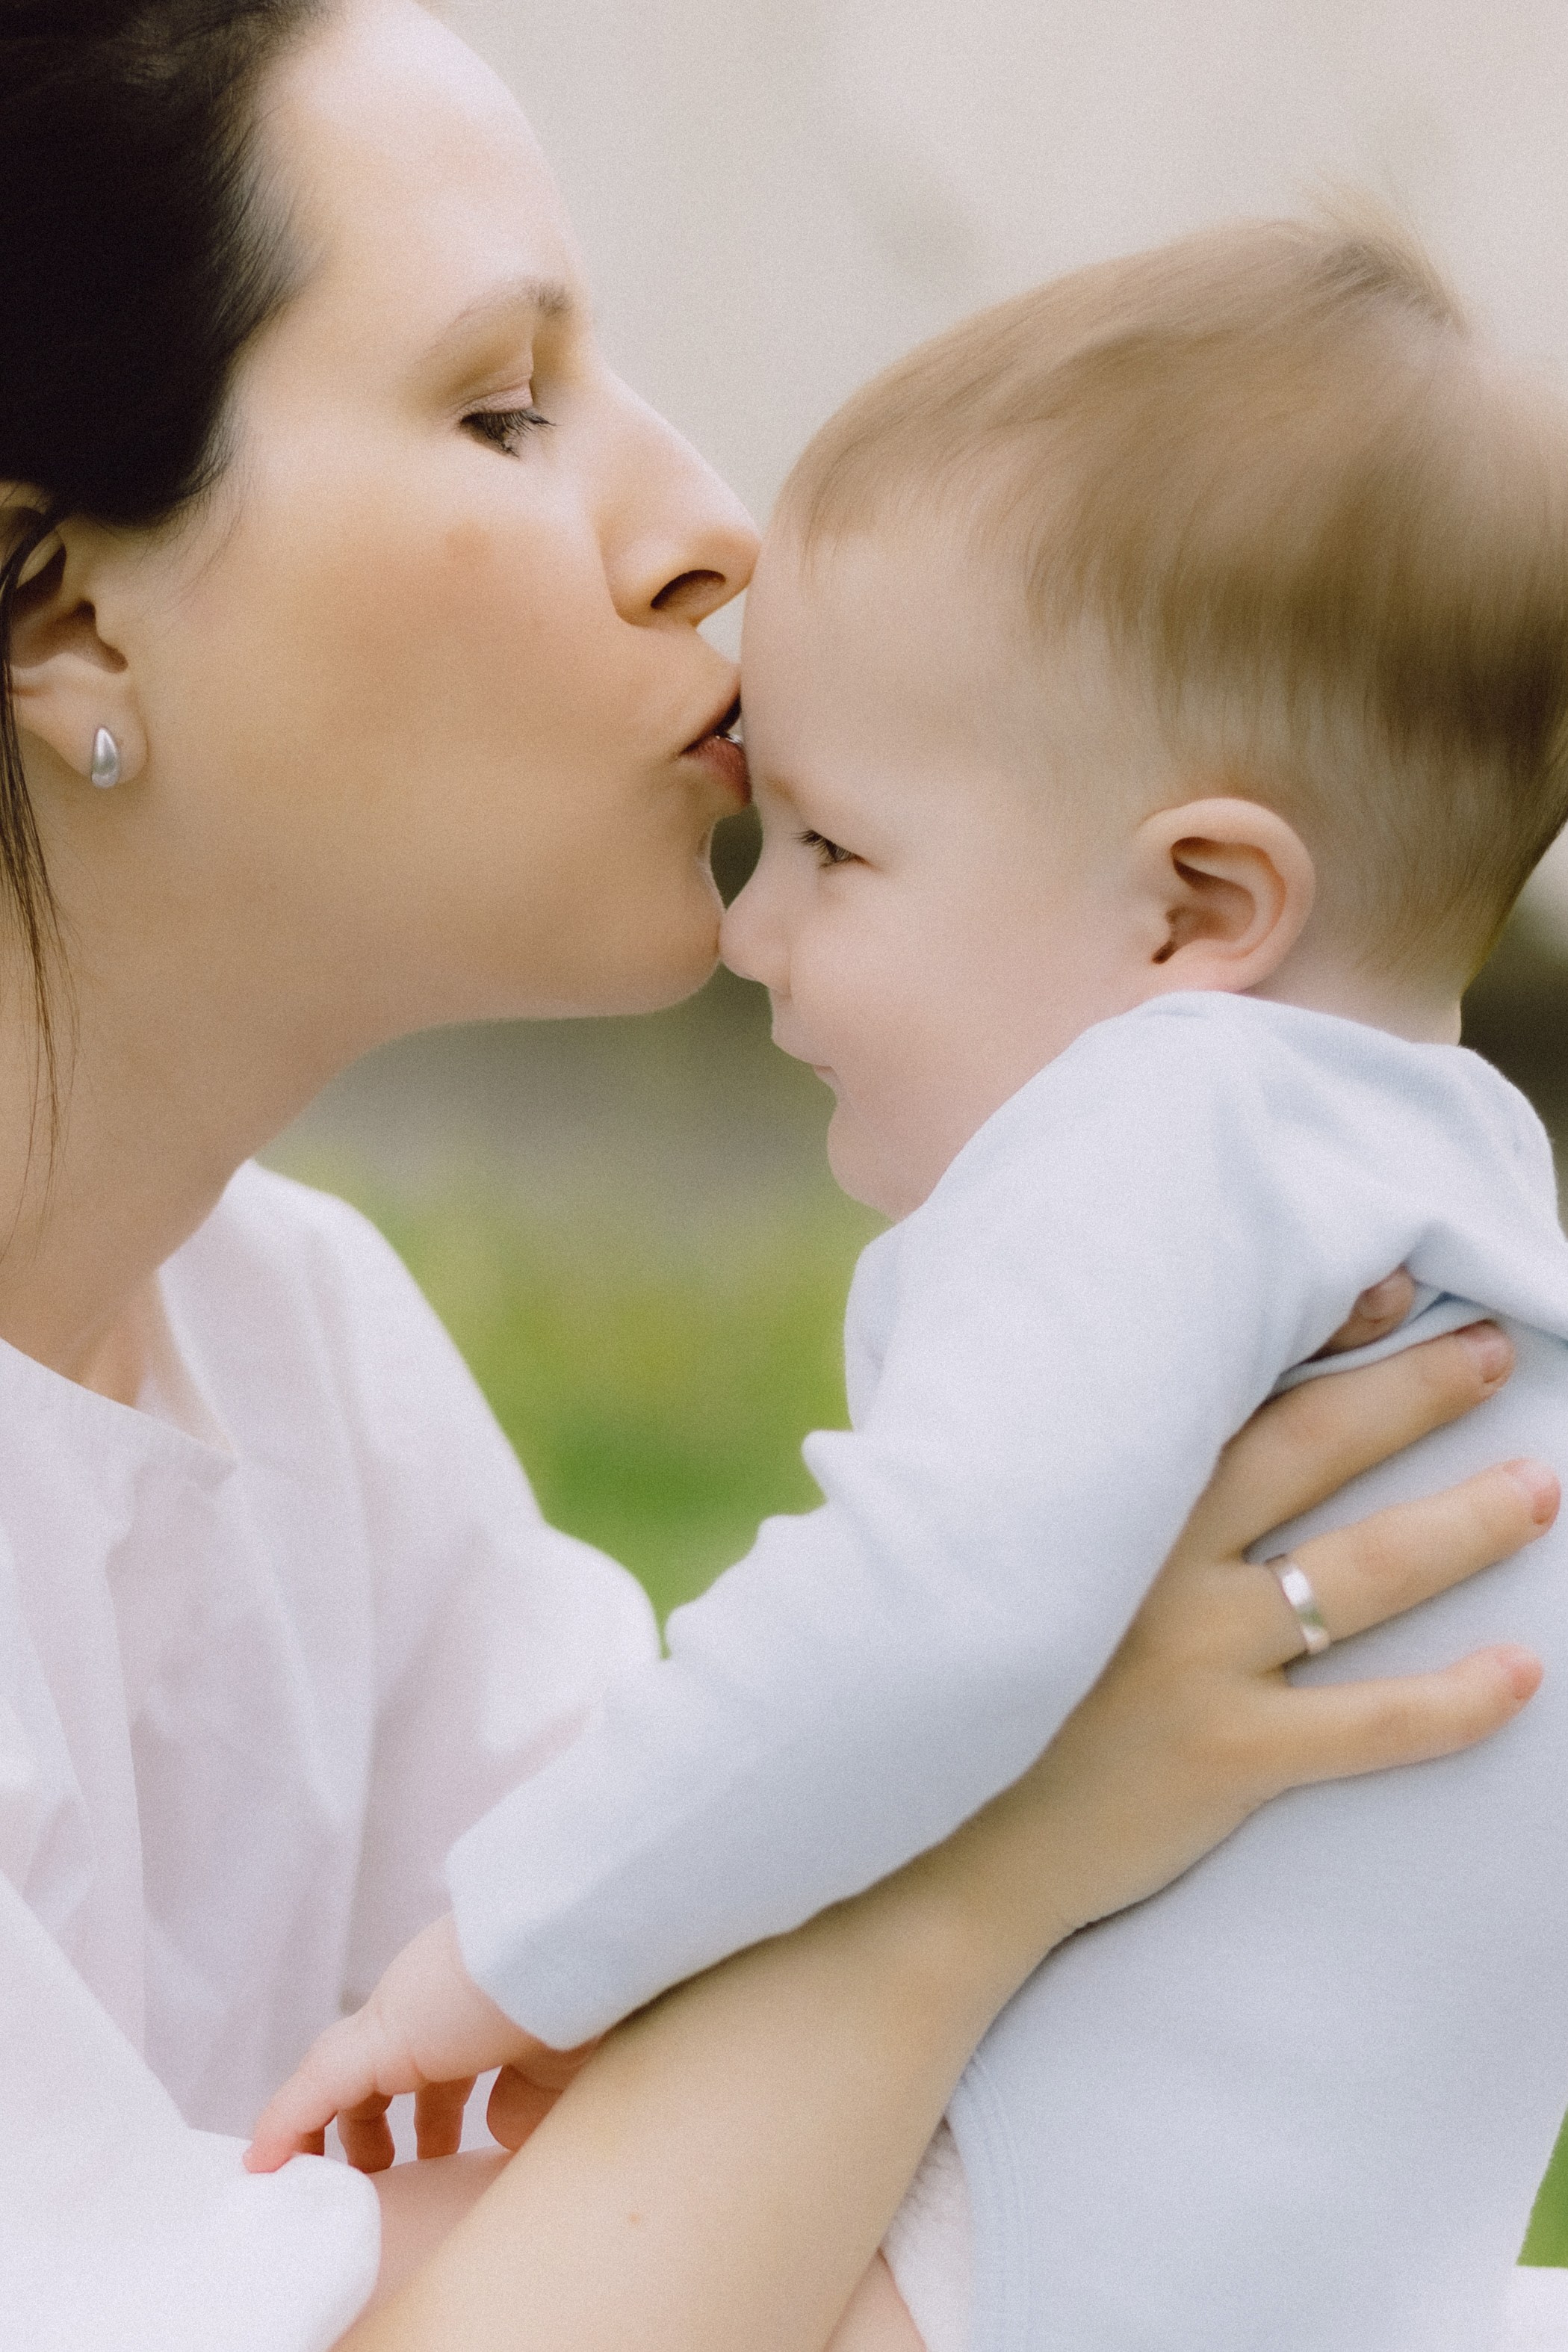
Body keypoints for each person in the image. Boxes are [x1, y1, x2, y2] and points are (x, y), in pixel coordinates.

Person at [0, 2, 1558, 2346]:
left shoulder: (292, 1349)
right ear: (68, 611)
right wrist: (1003, 1850)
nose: (709, 529)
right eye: (503, 406)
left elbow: (670, 2111)